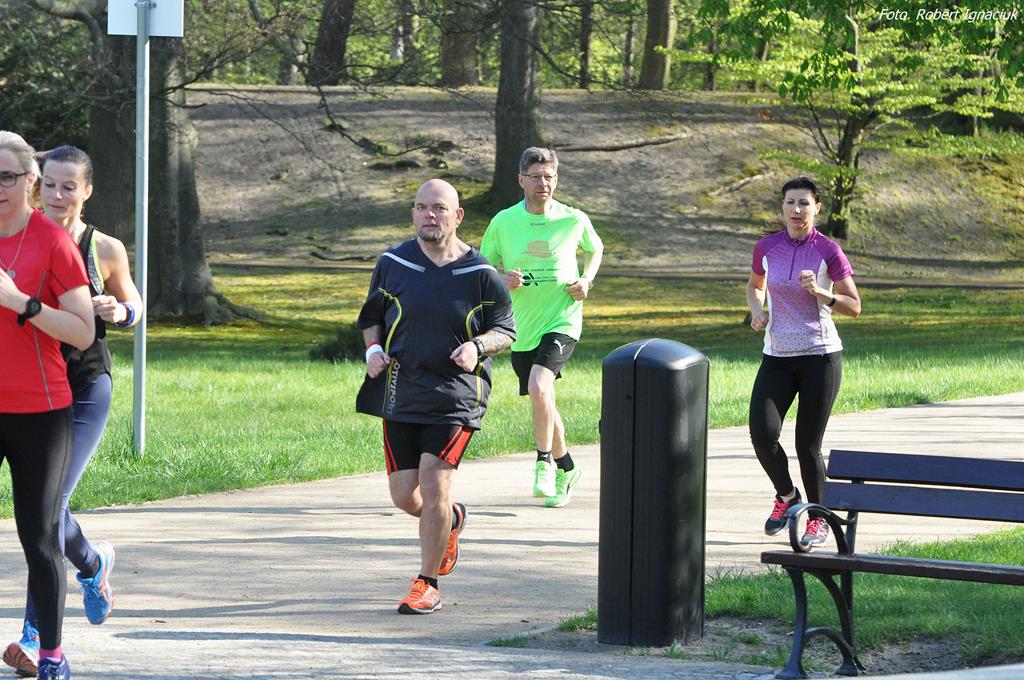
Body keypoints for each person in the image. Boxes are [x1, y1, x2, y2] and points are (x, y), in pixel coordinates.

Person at [3, 146, 143, 677]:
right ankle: (92, 561)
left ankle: (35, 637)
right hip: (22, 388)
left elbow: (135, 304)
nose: (58, 196)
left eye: (69, 187)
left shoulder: (102, 247)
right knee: (45, 514)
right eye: (50, 185)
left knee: (48, 508)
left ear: (87, 191)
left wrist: (118, 309)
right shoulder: (19, 236)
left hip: (82, 386)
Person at [355, 179, 515, 615]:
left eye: (439, 208)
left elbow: (506, 330)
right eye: (422, 207)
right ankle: (451, 519)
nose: (430, 215)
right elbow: (371, 317)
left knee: (434, 482)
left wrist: (478, 347)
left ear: (457, 216)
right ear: (413, 213)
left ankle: (427, 584)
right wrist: (373, 350)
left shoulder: (480, 272)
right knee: (404, 496)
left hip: (456, 396)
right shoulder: (392, 262)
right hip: (401, 391)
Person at [0, 130, 96, 680]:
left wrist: (22, 303)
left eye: (7, 177)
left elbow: (83, 332)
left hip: (40, 412)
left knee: (38, 537)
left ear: (30, 183)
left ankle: (53, 655)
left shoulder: (53, 243)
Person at [480, 147, 603, 508]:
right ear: (521, 180)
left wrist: (586, 280)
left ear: (556, 179)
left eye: (549, 177)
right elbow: (483, 265)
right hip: (521, 326)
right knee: (542, 397)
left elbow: (595, 249)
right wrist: (502, 278)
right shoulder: (503, 222)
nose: (543, 183)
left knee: (539, 385)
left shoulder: (573, 218)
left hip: (562, 319)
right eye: (535, 177)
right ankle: (568, 469)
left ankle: (543, 463)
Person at [747, 176, 862, 549]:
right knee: (762, 434)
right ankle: (787, 496)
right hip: (777, 357)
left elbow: (854, 306)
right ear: (782, 208)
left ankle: (818, 517)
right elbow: (755, 286)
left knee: (807, 445)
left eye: (804, 204)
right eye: (790, 203)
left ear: (817, 208)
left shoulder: (828, 250)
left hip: (820, 358)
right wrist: (757, 310)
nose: (796, 210)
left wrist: (821, 292)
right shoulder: (767, 247)